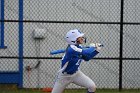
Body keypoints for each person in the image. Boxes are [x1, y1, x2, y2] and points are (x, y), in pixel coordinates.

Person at [51, 29, 103, 93]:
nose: (82, 38)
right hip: (64, 76)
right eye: (79, 37)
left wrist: (96, 51)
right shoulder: (72, 48)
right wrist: (94, 46)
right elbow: (86, 52)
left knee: (92, 87)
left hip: (76, 74)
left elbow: (87, 58)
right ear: (73, 40)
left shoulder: (78, 47)